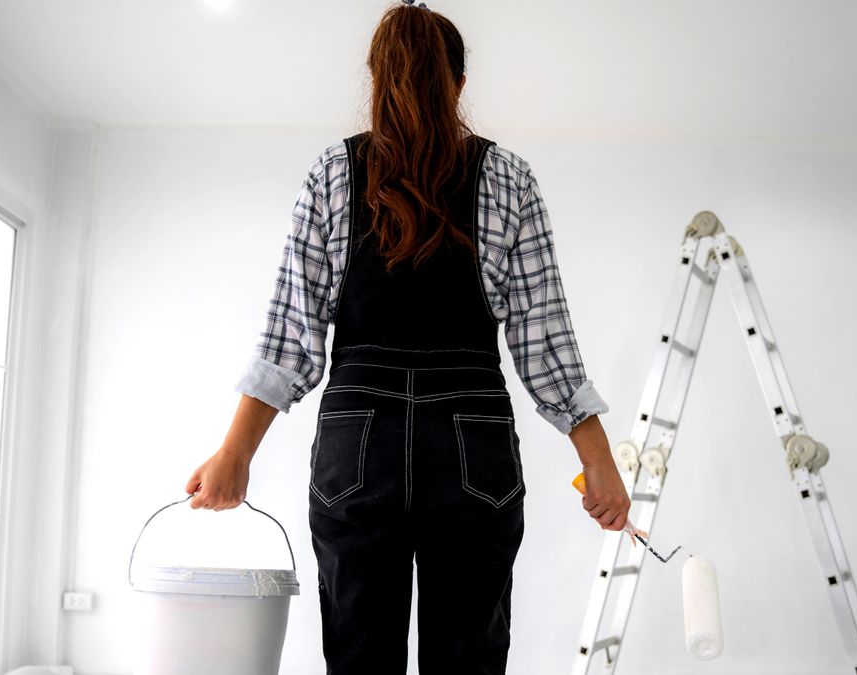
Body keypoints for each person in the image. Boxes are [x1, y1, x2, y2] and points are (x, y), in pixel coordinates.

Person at [184, 1, 631, 672]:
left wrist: (234, 452)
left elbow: (290, 337)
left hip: (358, 441)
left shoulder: (331, 174)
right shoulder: (509, 178)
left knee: (360, 655)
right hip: (471, 438)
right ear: (458, 82)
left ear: (375, 78)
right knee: (468, 656)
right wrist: (597, 457)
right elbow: (546, 344)